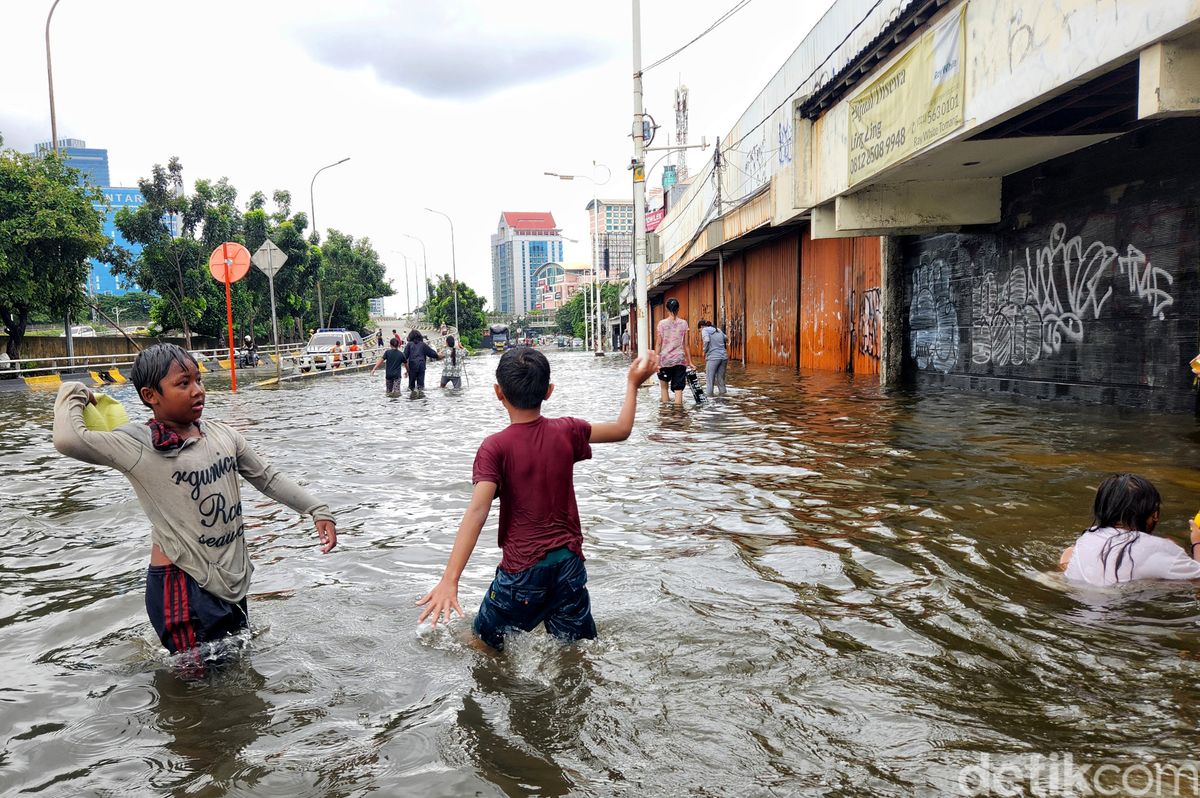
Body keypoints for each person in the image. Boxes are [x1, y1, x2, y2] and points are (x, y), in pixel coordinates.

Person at [51, 344, 337, 659]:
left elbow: (267, 478)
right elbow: (68, 439)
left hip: (231, 577)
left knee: (235, 669)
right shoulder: (136, 445)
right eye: (183, 383)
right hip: (181, 585)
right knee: (197, 684)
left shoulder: (222, 435)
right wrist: (75, 392)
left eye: (198, 380)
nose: (197, 391)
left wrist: (316, 510)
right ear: (150, 396)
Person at [416, 347, 661, 649]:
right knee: (574, 651)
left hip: (522, 574)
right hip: (569, 566)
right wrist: (632, 384)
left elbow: (477, 511)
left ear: (498, 392)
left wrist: (450, 580)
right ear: (549, 392)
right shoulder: (567, 430)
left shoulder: (495, 447)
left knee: (480, 644)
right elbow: (622, 430)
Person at [1060, 473, 1200, 585]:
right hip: (1122, 611)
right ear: (1154, 515)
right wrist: (1197, 543)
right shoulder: (1162, 548)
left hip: (1080, 604)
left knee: (1069, 552)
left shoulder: (1087, 537)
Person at [655, 297, 692, 407]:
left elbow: (658, 344)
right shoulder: (684, 323)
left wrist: (656, 362)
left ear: (667, 309)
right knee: (678, 389)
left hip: (664, 361)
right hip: (679, 360)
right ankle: (678, 415)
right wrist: (690, 362)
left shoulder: (662, 324)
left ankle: (666, 415)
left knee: (664, 388)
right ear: (678, 309)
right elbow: (686, 345)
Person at [698, 319, 729, 397]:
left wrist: (704, 351)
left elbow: (707, 340)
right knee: (721, 380)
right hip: (724, 357)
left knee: (709, 380)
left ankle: (709, 401)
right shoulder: (717, 329)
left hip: (713, 358)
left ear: (701, 327)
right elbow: (726, 338)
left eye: (699, 330)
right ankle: (724, 399)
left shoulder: (704, 330)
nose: (700, 332)